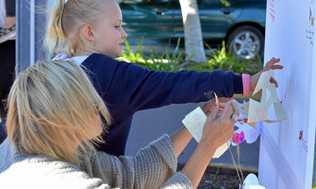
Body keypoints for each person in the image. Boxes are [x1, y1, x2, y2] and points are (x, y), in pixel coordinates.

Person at [45, 0, 283, 156]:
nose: (124, 34)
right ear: (89, 32)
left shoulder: (54, 67)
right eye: (117, 26)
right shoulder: (110, 75)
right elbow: (173, 84)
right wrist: (243, 83)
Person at [0, 60, 235, 189]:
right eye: (88, 96)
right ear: (66, 117)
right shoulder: (61, 182)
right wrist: (206, 147)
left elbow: (133, 175)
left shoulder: (44, 146)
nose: (98, 102)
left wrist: (198, 122)